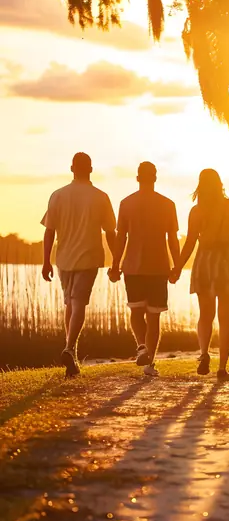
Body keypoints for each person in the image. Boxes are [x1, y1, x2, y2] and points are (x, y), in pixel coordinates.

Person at [41, 152, 116, 377]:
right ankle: (69, 348)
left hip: (63, 258)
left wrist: (46, 261)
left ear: (71, 169)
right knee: (78, 303)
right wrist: (118, 260)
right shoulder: (100, 197)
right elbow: (111, 232)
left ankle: (70, 351)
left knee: (71, 304)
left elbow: (49, 231)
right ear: (90, 170)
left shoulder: (58, 195)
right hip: (89, 257)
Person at [174, 169, 229, 380]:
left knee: (205, 315)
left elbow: (190, 243)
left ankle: (204, 353)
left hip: (205, 261)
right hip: (228, 262)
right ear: (220, 184)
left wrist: (178, 267)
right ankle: (222, 368)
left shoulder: (197, 211)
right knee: (226, 317)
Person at [108, 162, 180, 378]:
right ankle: (150, 363)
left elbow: (121, 237)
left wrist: (115, 265)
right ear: (155, 178)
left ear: (138, 178)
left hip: (133, 267)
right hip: (159, 267)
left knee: (136, 311)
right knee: (154, 317)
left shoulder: (126, 203)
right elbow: (173, 239)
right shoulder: (168, 204)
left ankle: (141, 346)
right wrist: (176, 265)